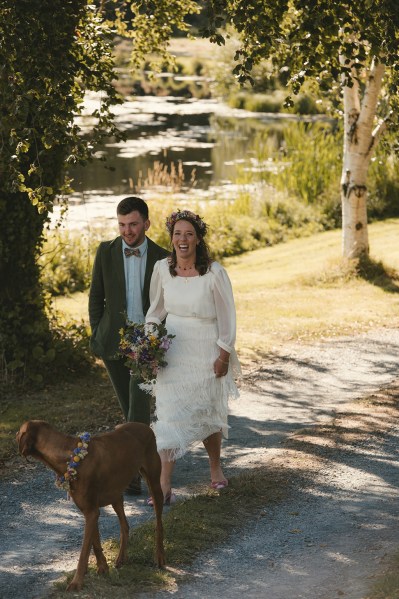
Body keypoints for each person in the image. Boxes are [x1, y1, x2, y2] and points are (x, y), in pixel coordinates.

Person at [145, 209, 240, 505]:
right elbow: (156, 311)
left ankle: (215, 469)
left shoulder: (215, 273)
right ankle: (164, 484)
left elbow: (228, 318)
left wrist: (223, 355)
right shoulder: (162, 268)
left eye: (188, 234)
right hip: (172, 351)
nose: (182, 240)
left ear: (198, 239)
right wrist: (147, 344)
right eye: (177, 234)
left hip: (206, 348)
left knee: (208, 411)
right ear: (171, 238)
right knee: (169, 414)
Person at [89, 196, 169, 494]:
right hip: (113, 341)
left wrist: (159, 336)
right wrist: (97, 330)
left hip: (146, 341)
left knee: (138, 405)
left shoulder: (163, 256)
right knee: (128, 408)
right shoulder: (105, 252)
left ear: (146, 223)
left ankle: (130, 475)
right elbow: (96, 297)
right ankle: (142, 463)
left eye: (133, 224)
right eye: (122, 224)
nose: (127, 230)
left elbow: (166, 302)